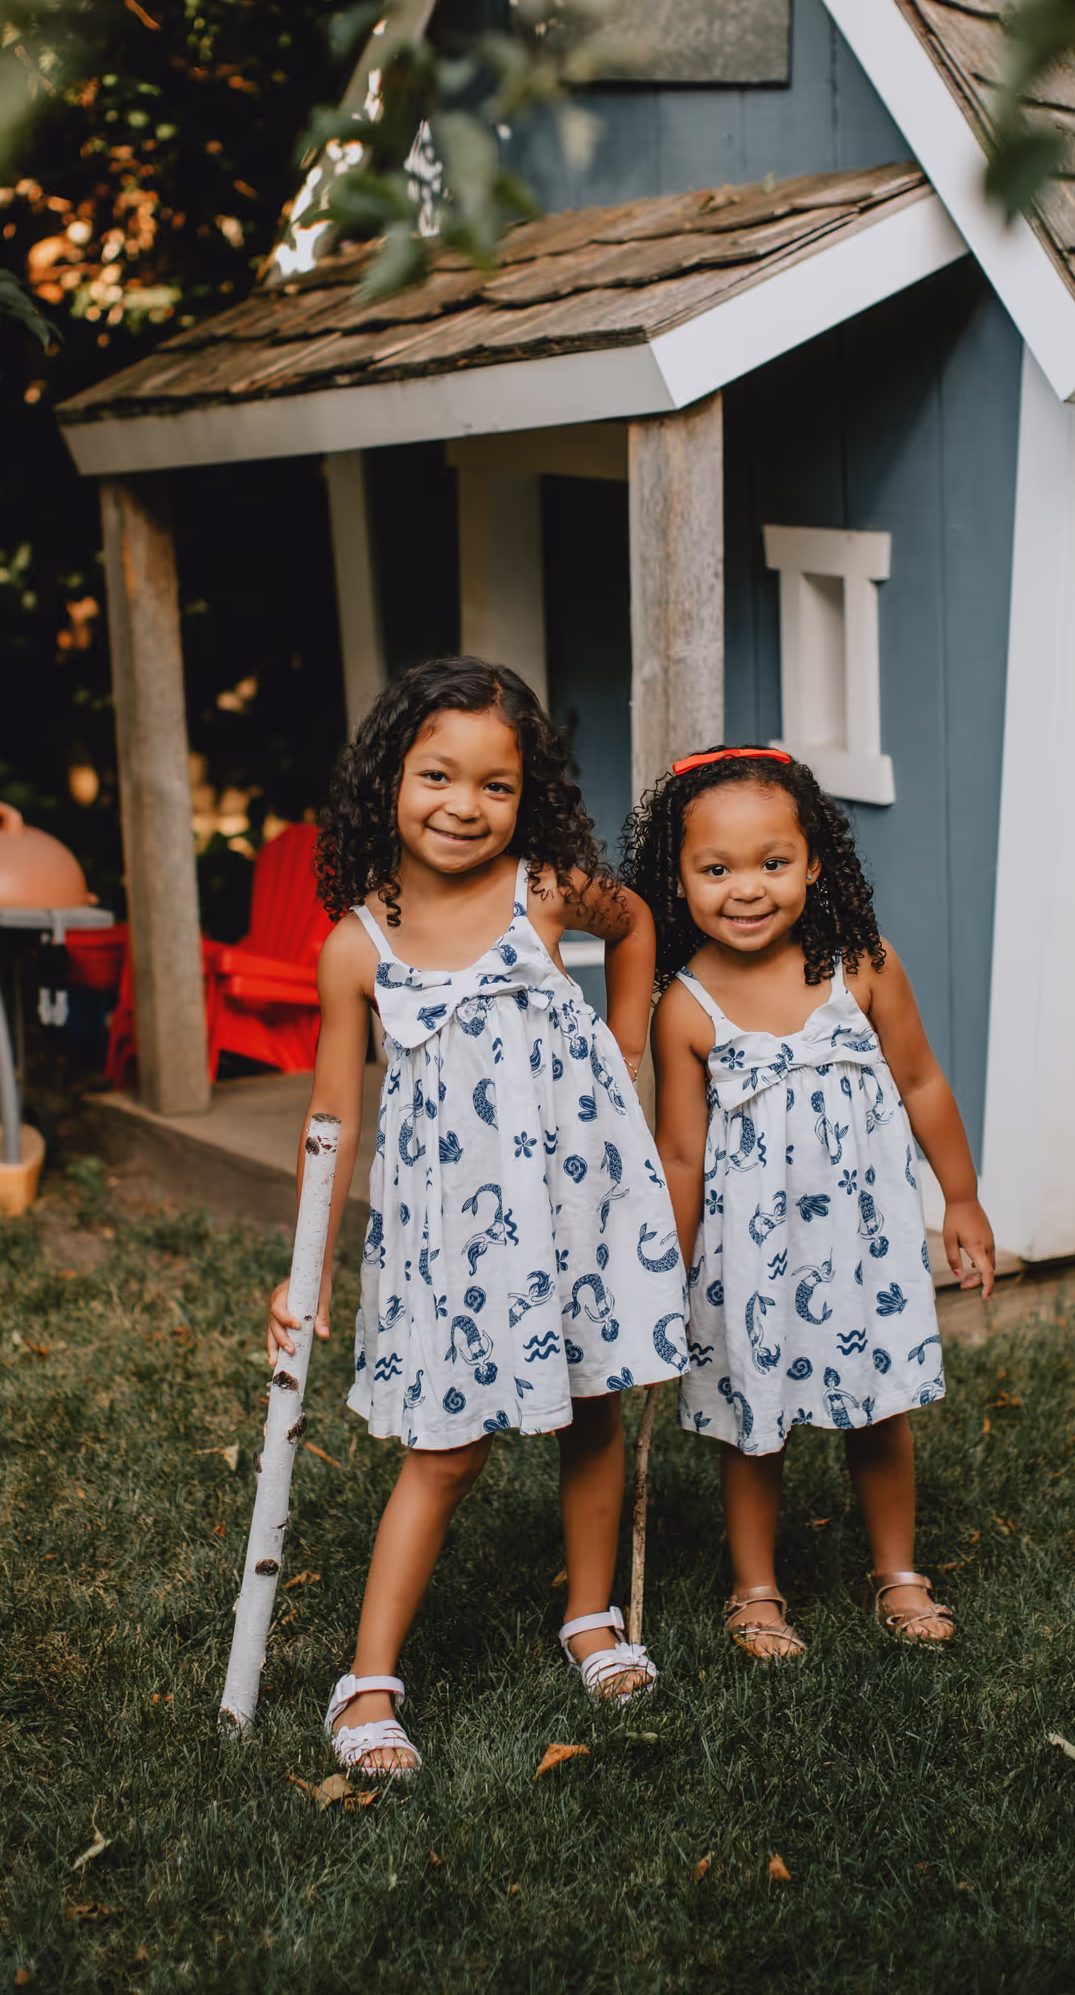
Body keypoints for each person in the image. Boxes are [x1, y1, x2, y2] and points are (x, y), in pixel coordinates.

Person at [268, 657, 687, 1777]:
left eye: (494, 787)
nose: (463, 806)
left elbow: (638, 921)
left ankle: (590, 1616)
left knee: (593, 1406)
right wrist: (300, 1276)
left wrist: (630, 1046)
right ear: (387, 783)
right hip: (450, 1240)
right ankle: (366, 1684)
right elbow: (329, 1121)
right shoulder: (358, 946)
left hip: (576, 1200)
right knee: (445, 1451)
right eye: (437, 777)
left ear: (527, 796)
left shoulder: (545, 891)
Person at [624, 744, 995, 1658]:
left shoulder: (859, 966)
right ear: (679, 877)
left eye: (772, 864)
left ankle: (898, 1572)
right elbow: (679, 1152)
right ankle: (756, 1589)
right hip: (751, 1255)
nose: (746, 889)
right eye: (715, 870)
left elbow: (923, 1085)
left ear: (814, 861)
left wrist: (963, 1199)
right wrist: (664, 1270)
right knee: (757, 1422)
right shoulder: (687, 1006)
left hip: (864, 1244)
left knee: (879, 1409)